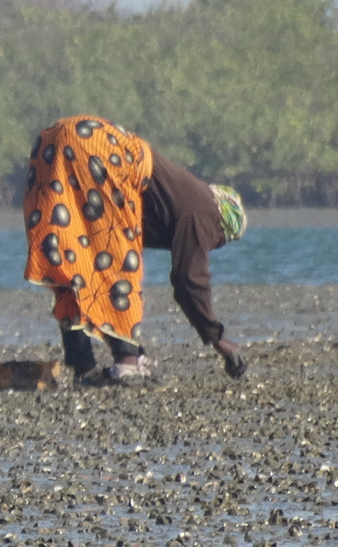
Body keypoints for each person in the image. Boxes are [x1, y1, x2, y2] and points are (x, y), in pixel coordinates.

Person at [22, 116, 249, 384]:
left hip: (53, 141)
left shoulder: (180, 195)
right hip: (98, 149)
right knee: (116, 257)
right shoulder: (205, 212)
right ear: (222, 225)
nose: (211, 244)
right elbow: (188, 279)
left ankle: (83, 366)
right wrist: (217, 338)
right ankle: (127, 363)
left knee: (75, 258)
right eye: (218, 240)